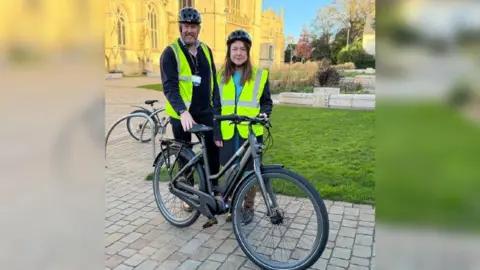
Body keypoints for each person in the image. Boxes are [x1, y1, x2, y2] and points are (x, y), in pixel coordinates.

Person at [160, 7, 220, 212]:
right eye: (186, 26)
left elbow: (213, 82)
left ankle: (213, 187)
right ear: (180, 28)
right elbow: (169, 87)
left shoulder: (206, 51)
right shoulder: (170, 53)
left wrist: (216, 110)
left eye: (193, 26)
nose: (190, 30)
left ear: (198, 29)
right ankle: (186, 191)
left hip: (205, 110)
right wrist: (182, 112)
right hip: (182, 113)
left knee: (213, 147)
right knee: (184, 152)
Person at [213, 30, 273, 224]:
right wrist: (217, 132)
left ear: (248, 52)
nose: (238, 53)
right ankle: (231, 206)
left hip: (251, 133)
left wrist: (265, 113)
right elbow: (216, 106)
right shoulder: (221, 75)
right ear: (229, 51)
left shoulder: (259, 75)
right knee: (230, 171)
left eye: (242, 49)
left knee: (249, 173)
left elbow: (266, 103)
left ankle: (248, 208)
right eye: (234, 49)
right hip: (228, 132)